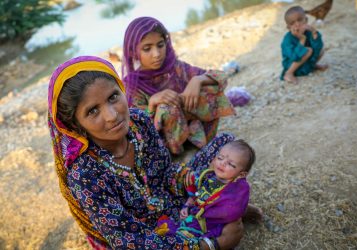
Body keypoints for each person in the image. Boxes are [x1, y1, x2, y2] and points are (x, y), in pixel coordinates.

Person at [47, 55, 244, 249]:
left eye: (113, 97)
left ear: (122, 89)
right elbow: (129, 241)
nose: (112, 115)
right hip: (145, 234)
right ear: (75, 125)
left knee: (227, 146)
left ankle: (216, 206)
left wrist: (204, 188)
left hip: (174, 202)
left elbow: (166, 174)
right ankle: (216, 216)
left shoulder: (138, 122)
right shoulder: (84, 174)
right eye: (92, 111)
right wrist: (211, 245)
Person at [121, 16, 235, 155]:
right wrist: (152, 104)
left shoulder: (176, 68)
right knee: (166, 107)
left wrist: (197, 80)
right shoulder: (132, 85)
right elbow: (135, 126)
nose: (156, 54)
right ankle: (179, 156)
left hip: (194, 130)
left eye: (160, 45)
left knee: (208, 87)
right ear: (133, 52)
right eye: (147, 49)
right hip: (162, 145)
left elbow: (221, 76)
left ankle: (200, 145)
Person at [156, 139, 255, 242]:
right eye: (220, 158)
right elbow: (197, 192)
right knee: (165, 228)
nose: (222, 163)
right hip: (194, 215)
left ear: (241, 174)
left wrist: (195, 212)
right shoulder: (210, 176)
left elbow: (227, 212)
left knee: (180, 239)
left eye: (231, 164)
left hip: (206, 225)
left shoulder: (233, 193)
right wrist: (188, 205)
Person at [280, 6, 328, 84]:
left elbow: (318, 48)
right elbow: (294, 57)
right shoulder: (287, 40)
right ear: (288, 27)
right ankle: (288, 73)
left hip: (306, 63)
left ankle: (312, 65)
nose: (297, 24)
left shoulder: (308, 33)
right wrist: (302, 39)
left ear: (306, 20)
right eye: (293, 23)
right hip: (293, 65)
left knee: (321, 50)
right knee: (307, 50)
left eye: (300, 20)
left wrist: (314, 32)